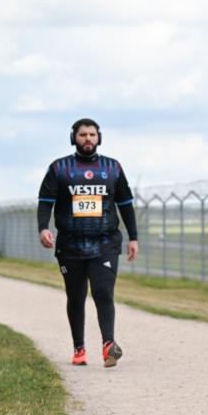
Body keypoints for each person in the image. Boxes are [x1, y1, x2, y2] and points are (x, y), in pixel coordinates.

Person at [37, 118, 139, 367]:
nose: (88, 139)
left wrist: (133, 237)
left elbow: (125, 205)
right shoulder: (59, 168)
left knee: (103, 292)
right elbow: (45, 203)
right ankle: (79, 348)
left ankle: (108, 346)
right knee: (76, 295)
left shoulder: (112, 168)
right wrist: (43, 229)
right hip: (70, 245)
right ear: (74, 138)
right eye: (83, 135)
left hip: (105, 242)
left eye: (92, 135)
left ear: (99, 138)